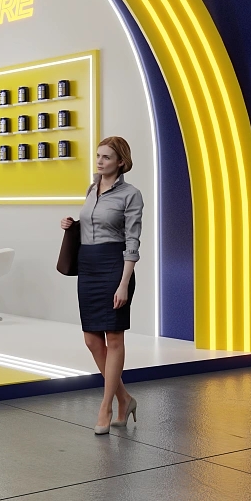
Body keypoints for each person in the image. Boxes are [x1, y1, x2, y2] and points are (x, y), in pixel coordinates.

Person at [60, 136, 143, 435]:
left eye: (106, 157)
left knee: (114, 338)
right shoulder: (91, 188)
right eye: (98, 155)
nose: (99, 161)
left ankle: (106, 406)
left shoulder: (131, 195)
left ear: (121, 161)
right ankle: (126, 399)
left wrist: (124, 284)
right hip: (88, 266)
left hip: (114, 267)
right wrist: (72, 225)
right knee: (92, 340)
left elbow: (132, 240)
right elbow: (93, 224)